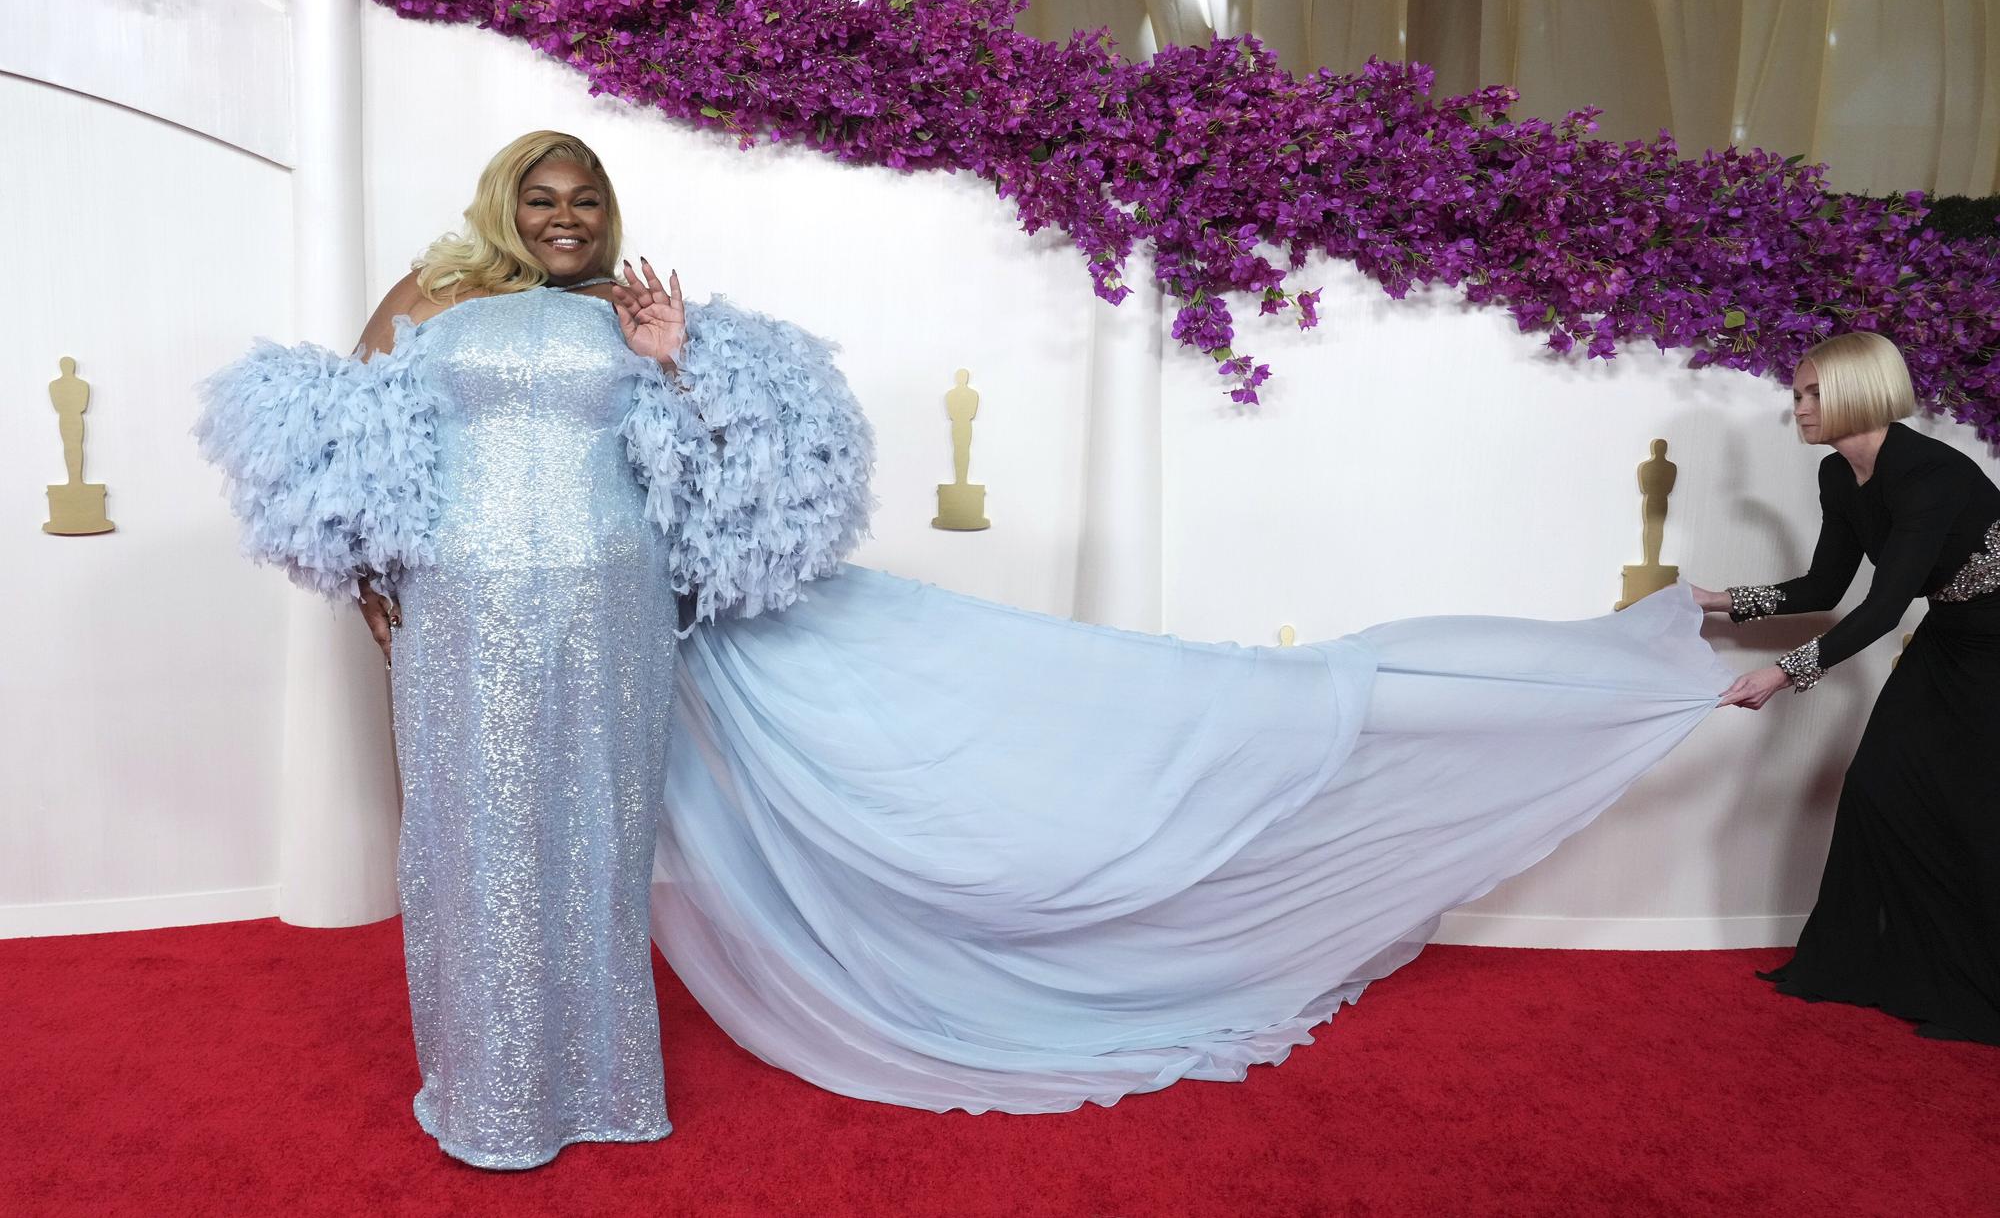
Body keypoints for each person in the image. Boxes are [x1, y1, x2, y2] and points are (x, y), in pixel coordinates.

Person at [198, 129, 1735, 1169]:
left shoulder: (647, 315)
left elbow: (734, 484)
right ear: (498, 204)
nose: (565, 219)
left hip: (608, 613)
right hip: (465, 611)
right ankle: (486, 1091)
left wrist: (671, 368)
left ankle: (597, 1084)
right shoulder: (433, 295)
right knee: (472, 842)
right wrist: (370, 576)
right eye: (541, 198)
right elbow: (342, 452)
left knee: (596, 847)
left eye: (586, 200)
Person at [1692, 331, 2000, 1044]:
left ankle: (1972, 977)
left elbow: (1885, 608)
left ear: (1860, 393)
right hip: (1954, 635)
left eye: (1812, 394)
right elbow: (1826, 585)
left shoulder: (1929, 474)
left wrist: (1781, 674)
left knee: (1978, 813)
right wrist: (1715, 597)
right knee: (1877, 789)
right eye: (1797, 393)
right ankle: (1881, 966)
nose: (1796, 408)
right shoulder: (1838, 475)